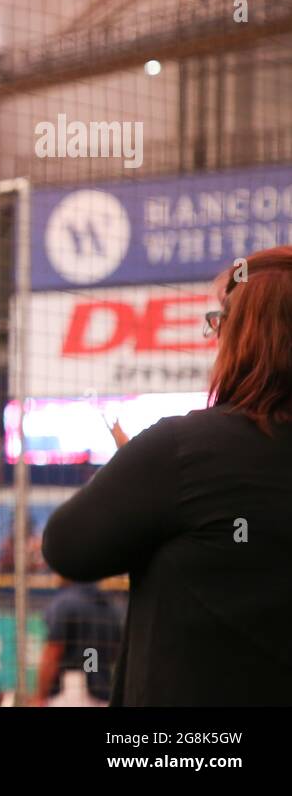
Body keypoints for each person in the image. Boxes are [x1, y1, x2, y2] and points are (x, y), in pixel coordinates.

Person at [42, 246, 292, 705]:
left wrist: (138, 474)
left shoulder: (185, 448)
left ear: (246, 335)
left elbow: (66, 547)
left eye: (221, 322)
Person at [34, 576, 122, 706]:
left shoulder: (65, 602)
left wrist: (40, 696)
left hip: (69, 693)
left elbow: (53, 652)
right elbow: (115, 653)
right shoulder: (110, 606)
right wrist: (92, 664)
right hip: (103, 694)